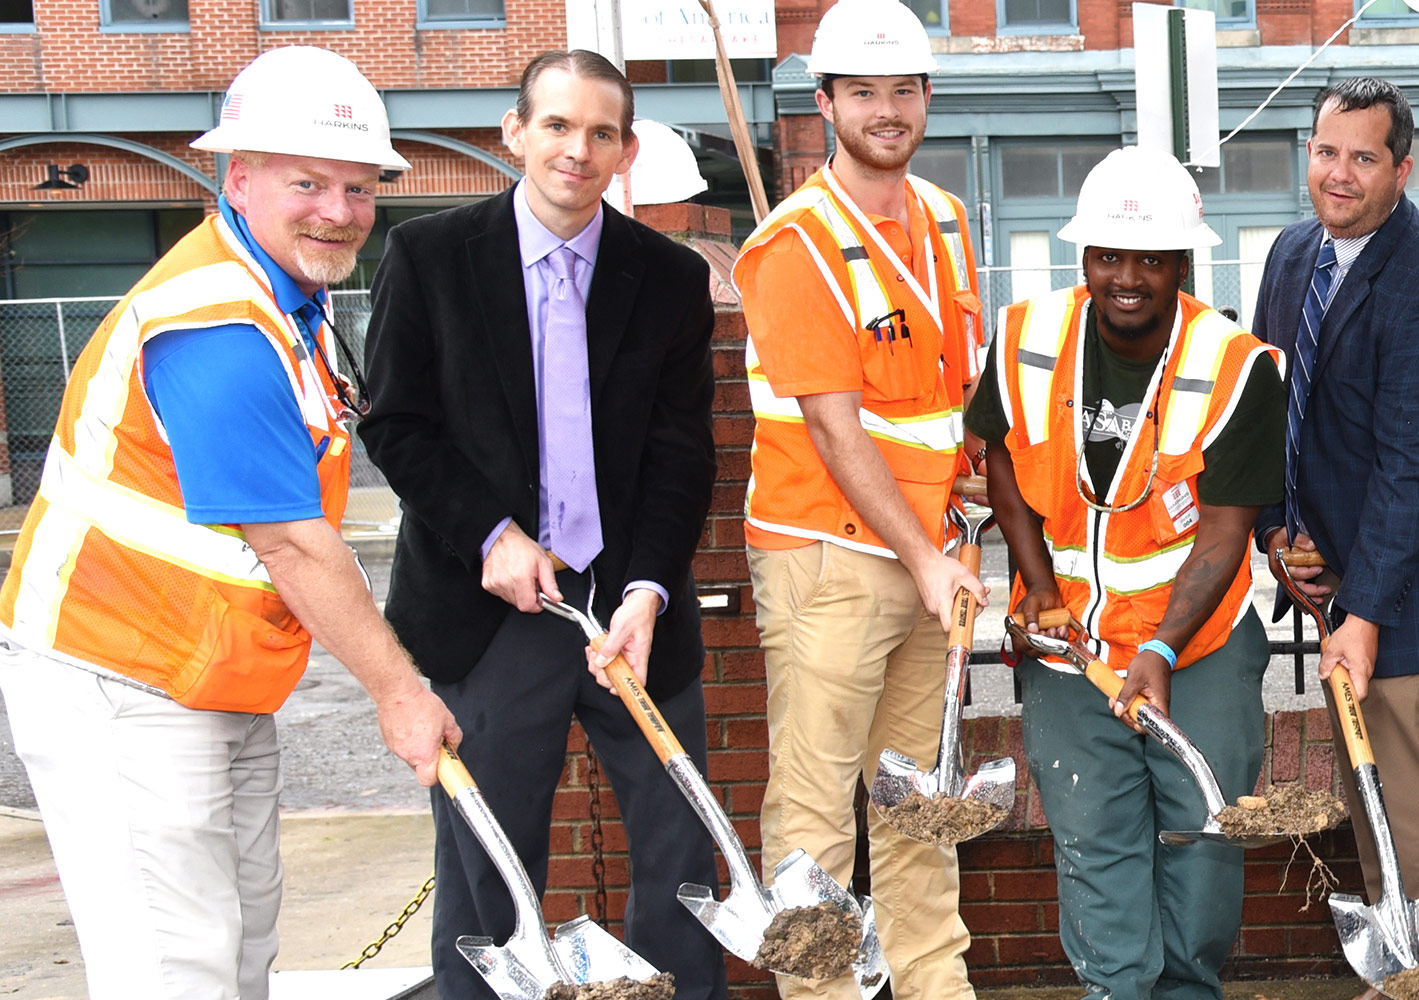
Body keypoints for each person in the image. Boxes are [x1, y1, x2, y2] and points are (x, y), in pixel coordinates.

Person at [0, 46, 463, 1000]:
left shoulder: (282, 295)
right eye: (307, 182)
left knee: (237, 944)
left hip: (200, 675)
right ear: (237, 176)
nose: (338, 210)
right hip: (122, 674)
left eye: (358, 186)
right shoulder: (217, 323)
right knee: (175, 969)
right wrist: (400, 694)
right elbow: (292, 541)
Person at [358, 50, 724, 1000]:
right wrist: (491, 533)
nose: (579, 148)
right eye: (558, 125)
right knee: (489, 856)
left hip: (631, 612)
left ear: (627, 150)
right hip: (488, 615)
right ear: (515, 132)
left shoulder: (670, 279)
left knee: (681, 843)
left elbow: (683, 452)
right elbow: (395, 422)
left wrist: (647, 588)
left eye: (602, 131)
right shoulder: (430, 256)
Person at [969, 145, 1285, 1000]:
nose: (1129, 277)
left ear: (1183, 261)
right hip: (1072, 655)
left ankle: (1187, 990)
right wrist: (1036, 586)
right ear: (1085, 255)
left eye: (1151, 258)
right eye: (1111, 255)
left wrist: (1166, 650)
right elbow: (1002, 464)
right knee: (1095, 842)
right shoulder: (1027, 336)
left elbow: (1225, 533)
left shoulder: (1234, 364)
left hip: (1199, 651)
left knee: (1203, 839)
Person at [729, 0, 989, 994]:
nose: (887, 111)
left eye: (903, 91)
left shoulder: (948, 221)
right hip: (828, 558)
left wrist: (955, 535)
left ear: (926, 97)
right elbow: (838, 429)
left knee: (918, 801)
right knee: (813, 810)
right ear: (826, 103)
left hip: (925, 553)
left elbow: (947, 408)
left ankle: (937, 983)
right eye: (864, 93)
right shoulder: (791, 246)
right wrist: (926, 558)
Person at [1251, 76, 1419, 998]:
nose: (1340, 174)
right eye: (1327, 152)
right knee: (1373, 800)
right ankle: (1408, 975)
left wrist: (1360, 610)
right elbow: (1272, 417)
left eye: (1364, 158)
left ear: (1402, 169)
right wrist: (1280, 534)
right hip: (1341, 586)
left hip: (1415, 597)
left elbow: (1414, 471)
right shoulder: (1291, 257)